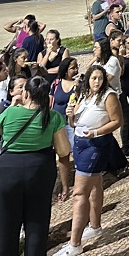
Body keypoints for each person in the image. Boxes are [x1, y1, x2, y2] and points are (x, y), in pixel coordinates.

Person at [0, 76, 70, 256]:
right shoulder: (53, 117)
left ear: (26, 93)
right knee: (37, 226)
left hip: (6, 173)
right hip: (38, 172)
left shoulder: (10, 112)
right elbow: (64, 150)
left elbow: (1, 131)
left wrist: (13, 105)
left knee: (5, 228)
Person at [57, 65, 124, 256]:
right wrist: (70, 116)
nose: (97, 81)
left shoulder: (108, 96)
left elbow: (117, 121)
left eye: (100, 78)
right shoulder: (84, 94)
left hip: (95, 146)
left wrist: (96, 132)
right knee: (95, 185)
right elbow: (75, 123)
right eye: (93, 78)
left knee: (79, 193)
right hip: (80, 143)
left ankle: (74, 243)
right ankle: (95, 226)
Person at [51, 57, 80, 201]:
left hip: (72, 122)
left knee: (77, 152)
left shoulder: (78, 85)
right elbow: (51, 102)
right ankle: (64, 186)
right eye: (72, 68)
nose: (75, 70)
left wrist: (79, 87)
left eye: (76, 67)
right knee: (63, 156)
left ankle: (80, 184)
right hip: (58, 123)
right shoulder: (56, 83)